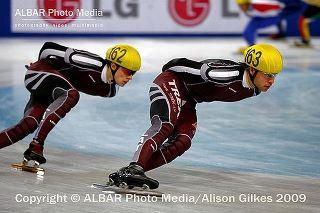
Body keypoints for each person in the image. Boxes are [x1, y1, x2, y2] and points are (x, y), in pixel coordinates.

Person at [108, 43, 283, 189]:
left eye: (274, 76)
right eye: (268, 75)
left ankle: (130, 172)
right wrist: (168, 69)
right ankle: (135, 168)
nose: (271, 81)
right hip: (171, 81)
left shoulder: (254, 90)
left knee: (183, 141)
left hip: (189, 99)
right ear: (252, 69)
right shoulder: (224, 74)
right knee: (165, 125)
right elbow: (186, 65)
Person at [0, 42, 141, 165]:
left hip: (53, 91)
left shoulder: (109, 90)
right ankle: (36, 144)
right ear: (114, 66)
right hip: (39, 74)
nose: (130, 77)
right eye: (128, 71)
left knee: (29, 124)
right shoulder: (91, 62)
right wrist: (39, 66)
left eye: (133, 73)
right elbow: (47, 49)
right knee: (72, 94)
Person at [236, 0, 302, 52]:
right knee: (246, 32)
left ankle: (252, 48)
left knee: (250, 29)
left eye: (242, 5)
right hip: (261, 17)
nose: (241, 8)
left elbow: (279, 6)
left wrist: (284, 12)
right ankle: (251, 47)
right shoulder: (249, 8)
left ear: (247, 3)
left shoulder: (258, 5)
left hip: (275, 16)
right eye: (239, 6)